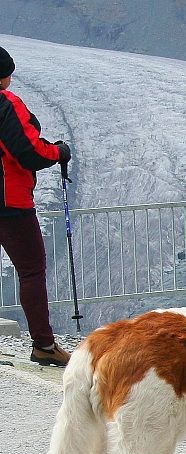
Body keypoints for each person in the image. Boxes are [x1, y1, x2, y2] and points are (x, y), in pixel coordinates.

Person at [0, 45, 72, 367]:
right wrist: (59, 152)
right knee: (31, 270)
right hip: (9, 202)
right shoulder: (6, 104)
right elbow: (29, 152)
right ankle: (43, 345)